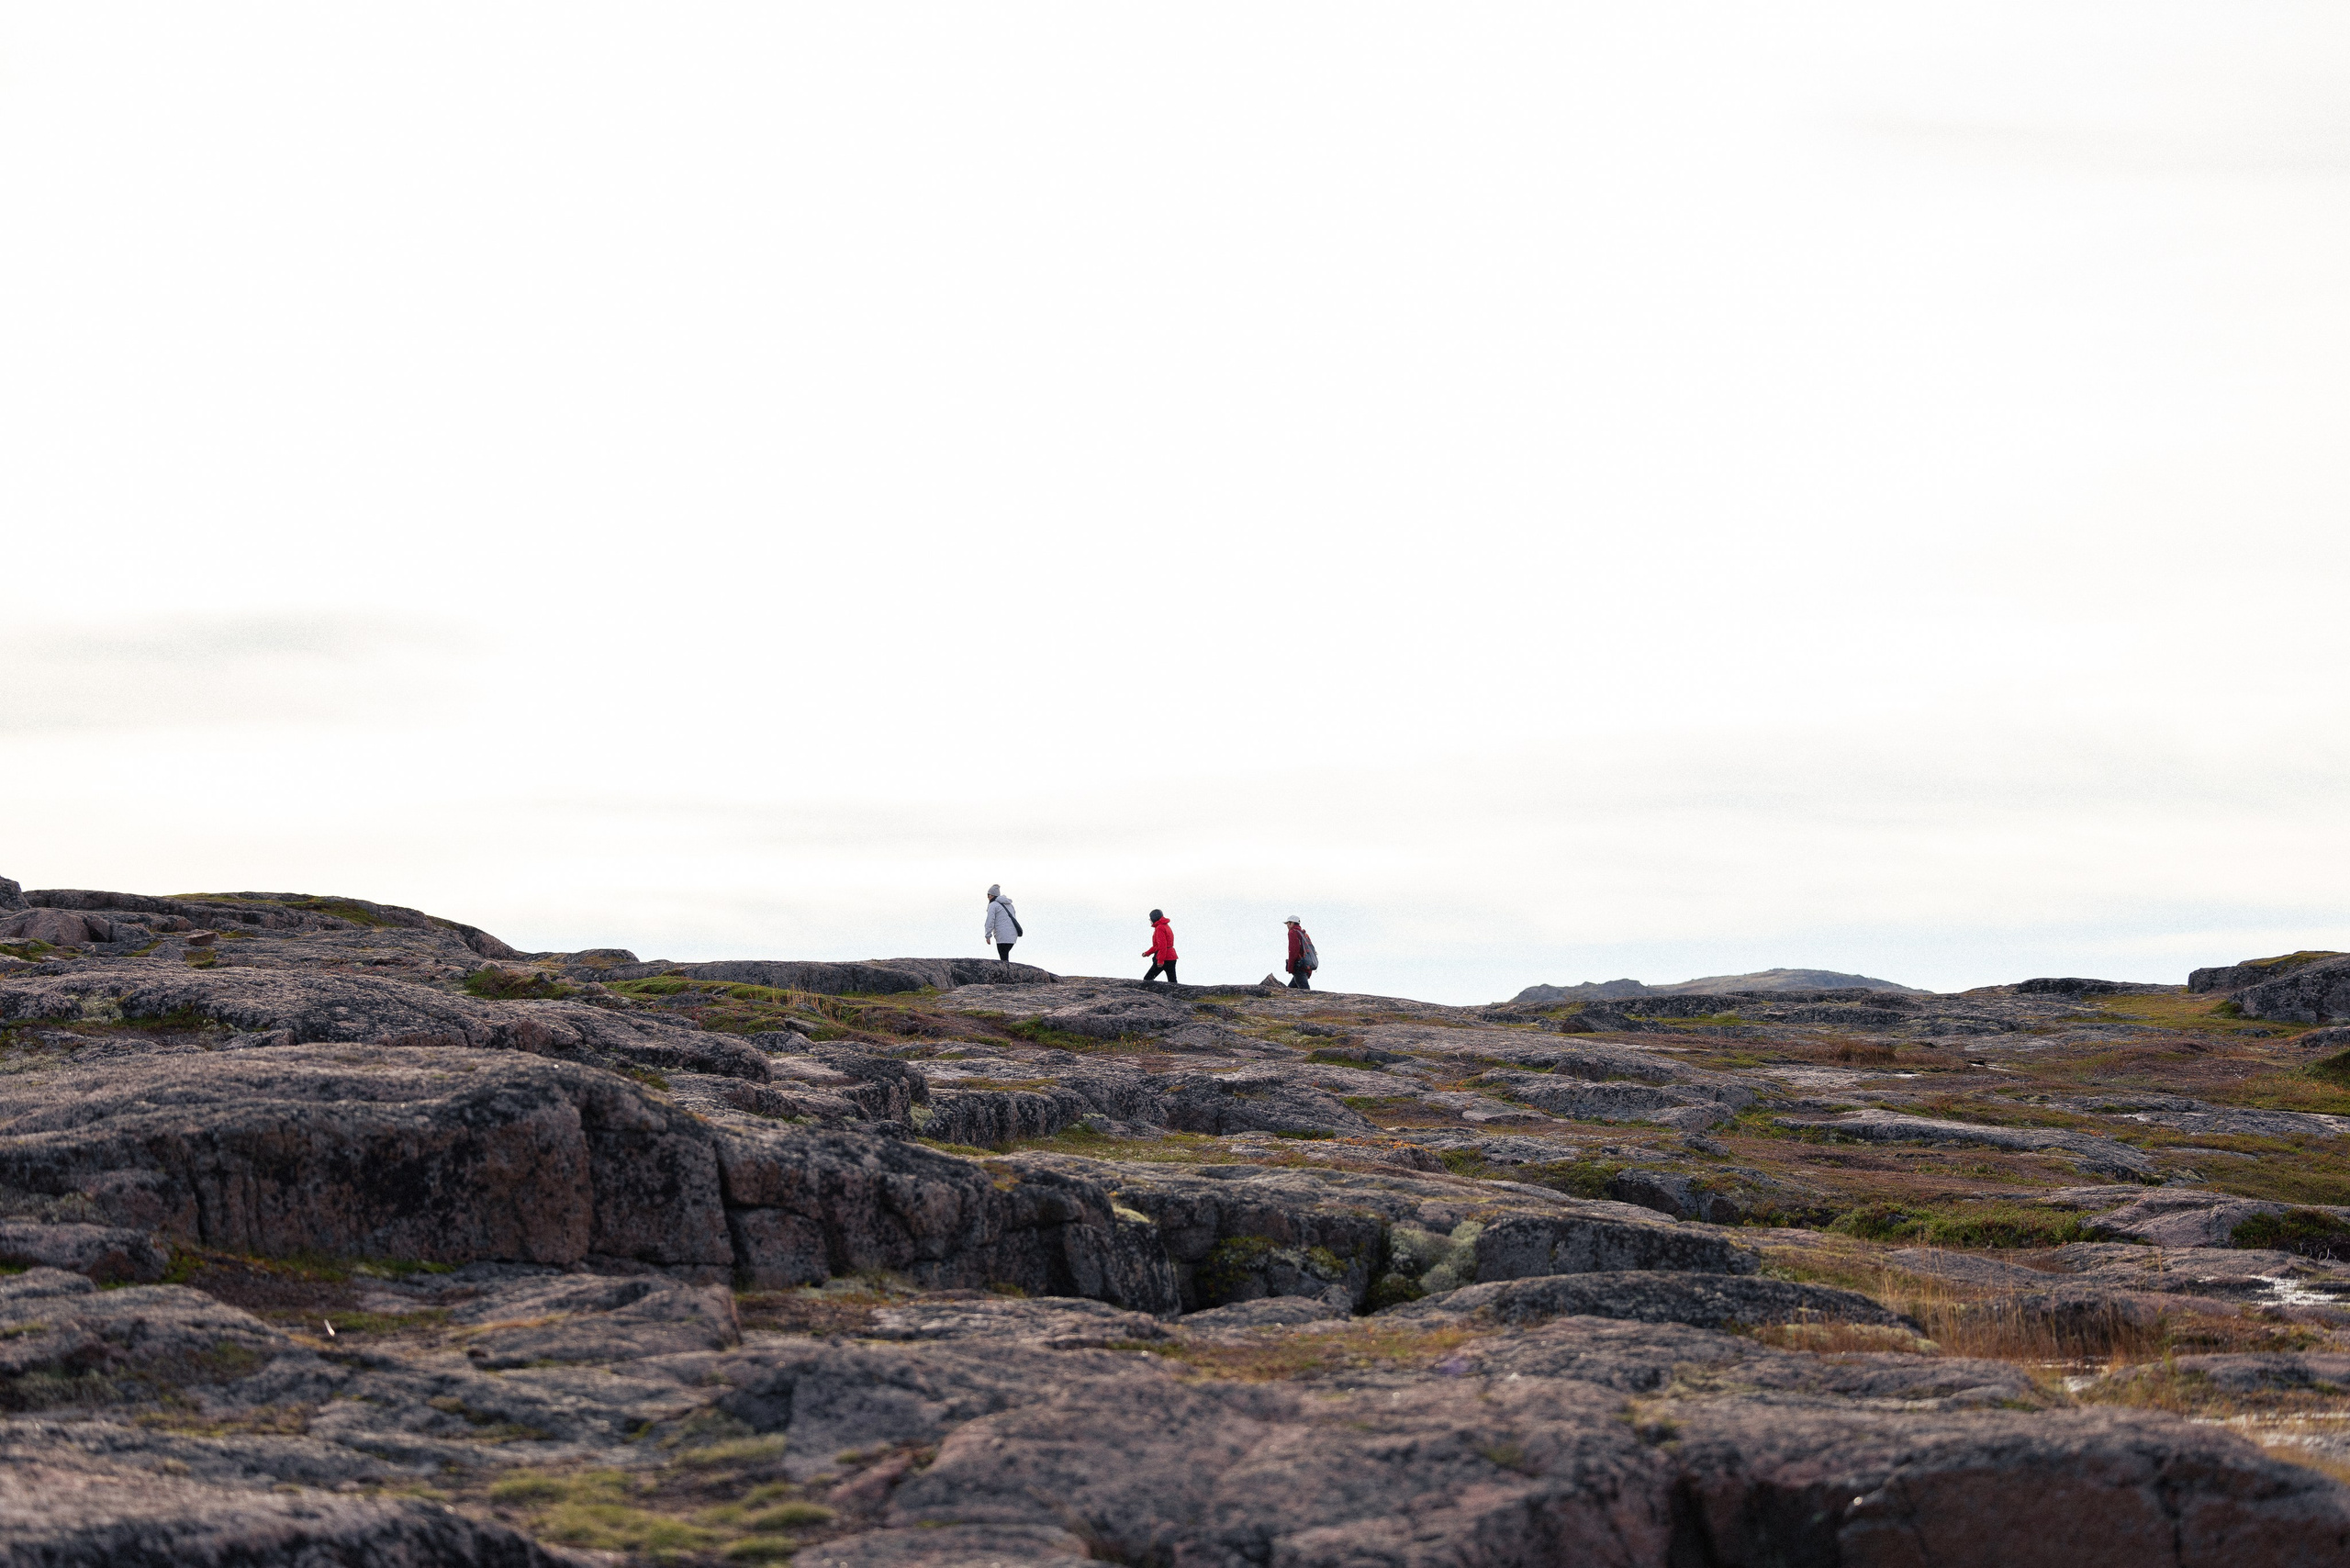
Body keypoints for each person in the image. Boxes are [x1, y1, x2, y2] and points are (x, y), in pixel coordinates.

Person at [983, 884, 1022, 964]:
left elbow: (990, 920)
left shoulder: (993, 905)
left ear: (992, 895)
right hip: (1013, 935)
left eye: (989, 895)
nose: (988, 897)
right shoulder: (1009, 905)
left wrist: (988, 935)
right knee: (1005, 958)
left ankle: (1007, 975)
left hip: (1002, 935)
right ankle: (1008, 974)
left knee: (1003, 960)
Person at [1141, 909, 1178, 984]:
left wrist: (1160, 960)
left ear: (1154, 918)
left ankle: (1150, 996)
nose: (1150, 920)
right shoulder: (1165, 926)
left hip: (1164, 958)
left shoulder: (1160, 928)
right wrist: (1148, 953)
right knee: (1173, 982)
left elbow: (1162, 946)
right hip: (1171, 957)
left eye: (1150, 918)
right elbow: (1158, 946)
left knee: (1147, 979)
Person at [1284, 916, 1317, 991]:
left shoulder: (1293, 932)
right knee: (1290, 990)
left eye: (1288, 923)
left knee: (1305, 990)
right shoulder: (1303, 933)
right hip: (1305, 965)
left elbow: (1293, 950)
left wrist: (1290, 967)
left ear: (1292, 923)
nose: (1287, 925)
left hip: (1299, 966)